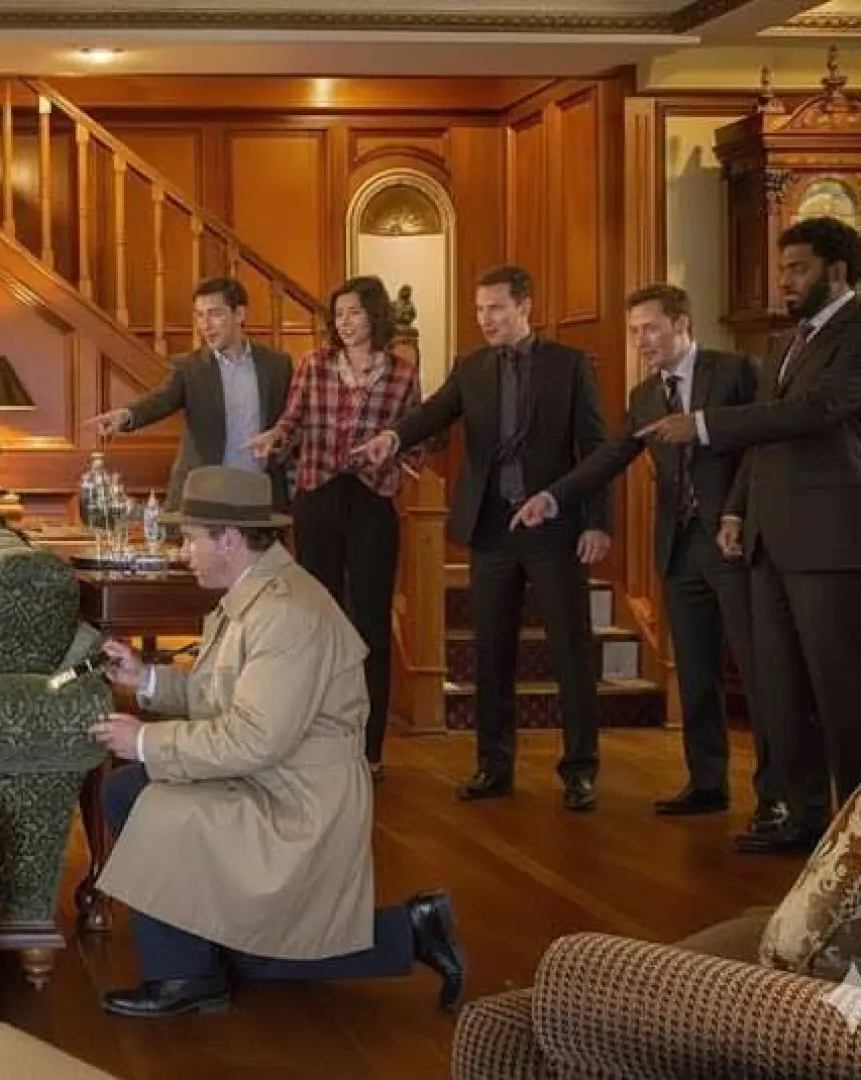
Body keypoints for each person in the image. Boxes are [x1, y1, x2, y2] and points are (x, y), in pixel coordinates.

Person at [87, 465, 463, 1020]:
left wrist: (145, 740)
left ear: (230, 540)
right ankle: (202, 962)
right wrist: (144, 679)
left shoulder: (285, 612)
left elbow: (253, 737)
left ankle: (188, 974)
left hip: (296, 799)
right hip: (271, 776)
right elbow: (223, 696)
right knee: (133, 793)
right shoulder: (256, 594)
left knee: (147, 799)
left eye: (191, 538)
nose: (183, 550)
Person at [513, 284, 781, 831]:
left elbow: (764, 450)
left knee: (761, 674)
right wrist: (553, 495)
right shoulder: (643, 396)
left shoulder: (735, 372)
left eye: (650, 329)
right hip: (679, 550)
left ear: (682, 323)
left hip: (735, 541)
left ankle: (777, 799)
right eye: (634, 332)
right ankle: (707, 784)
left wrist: (735, 513)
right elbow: (611, 455)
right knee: (698, 674)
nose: (641, 341)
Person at [639, 216, 861, 854]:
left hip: (830, 544)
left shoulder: (854, 332)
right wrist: (735, 511)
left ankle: (851, 840)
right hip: (768, 538)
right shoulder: (784, 343)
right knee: (783, 687)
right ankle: (804, 818)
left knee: (839, 691)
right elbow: (762, 445)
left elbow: (813, 413)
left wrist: (704, 425)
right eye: (783, 267)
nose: (785, 280)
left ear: (837, 272)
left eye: (798, 268)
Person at [354, 264, 610, 812]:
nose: (486, 319)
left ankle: (580, 770)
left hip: (555, 529)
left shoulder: (570, 367)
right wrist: (392, 437)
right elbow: (432, 413)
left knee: (570, 652)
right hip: (491, 528)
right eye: (479, 310)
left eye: (495, 308)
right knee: (492, 653)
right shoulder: (470, 368)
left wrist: (596, 521)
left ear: (525, 307)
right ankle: (494, 766)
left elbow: (595, 450)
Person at [248, 275, 422, 779]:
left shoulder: (403, 374)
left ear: (376, 316)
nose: (345, 323)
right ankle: (312, 738)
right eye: (339, 314)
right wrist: (273, 439)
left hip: (372, 500)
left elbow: (416, 438)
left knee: (370, 624)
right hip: (318, 495)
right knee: (315, 620)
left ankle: (369, 749)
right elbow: (292, 422)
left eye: (355, 313)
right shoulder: (315, 365)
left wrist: (392, 450)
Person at [85, 277, 294, 511]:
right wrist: (126, 415)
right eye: (199, 315)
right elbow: (160, 400)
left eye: (215, 314)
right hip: (205, 493)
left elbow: (291, 420)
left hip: (258, 494)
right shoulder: (189, 367)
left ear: (240, 314)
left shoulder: (277, 365)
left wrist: (280, 442)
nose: (205, 325)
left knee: (268, 550)